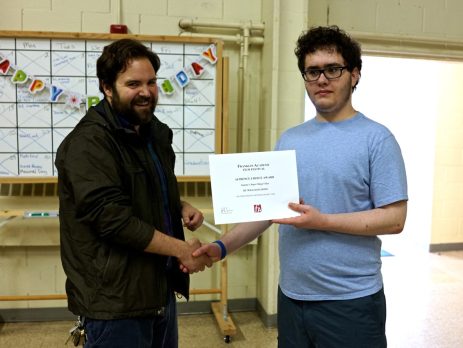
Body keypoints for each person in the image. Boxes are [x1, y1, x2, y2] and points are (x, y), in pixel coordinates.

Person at [189, 26, 408, 347]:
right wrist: (222, 247)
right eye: (312, 71)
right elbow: (267, 211)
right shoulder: (290, 139)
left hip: (350, 301)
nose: (322, 79)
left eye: (333, 69)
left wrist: (323, 221)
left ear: (355, 75)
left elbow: (395, 219)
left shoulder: (377, 139)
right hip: (292, 297)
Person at [55, 38, 212, 348]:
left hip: (158, 290)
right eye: (133, 83)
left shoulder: (153, 131)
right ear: (107, 87)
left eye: (151, 82)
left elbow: (140, 186)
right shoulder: (89, 144)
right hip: (116, 304)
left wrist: (177, 204)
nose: (146, 92)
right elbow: (113, 220)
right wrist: (181, 249)